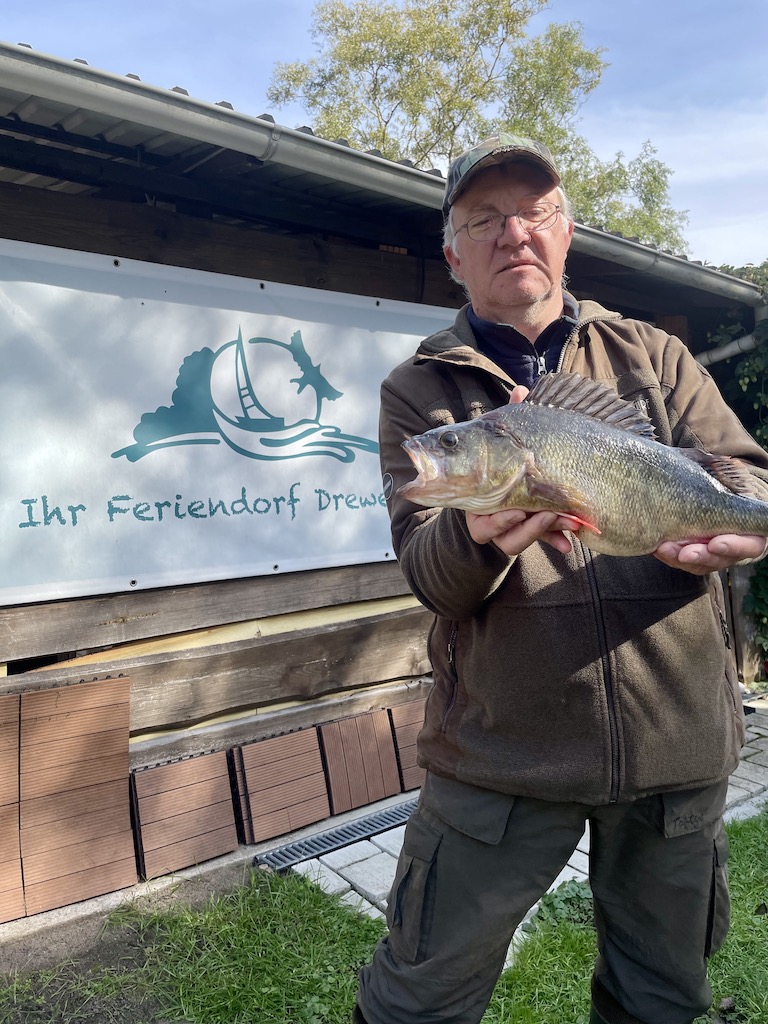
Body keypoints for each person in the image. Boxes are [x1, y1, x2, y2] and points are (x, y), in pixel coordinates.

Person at [353, 134, 768, 1024]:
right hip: (501, 755)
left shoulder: (652, 356)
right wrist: (483, 540)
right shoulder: (418, 393)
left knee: (662, 1000)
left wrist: (741, 534)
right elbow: (430, 575)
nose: (513, 234)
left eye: (533, 213)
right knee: (416, 999)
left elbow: (746, 477)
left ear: (566, 230)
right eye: (483, 220)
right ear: (453, 253)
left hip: (675, 745)